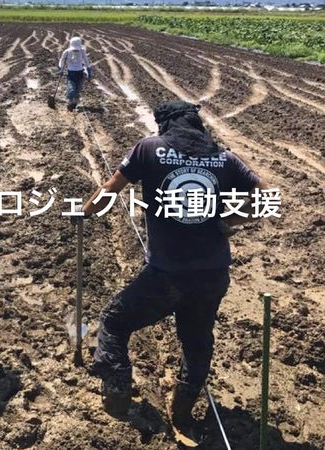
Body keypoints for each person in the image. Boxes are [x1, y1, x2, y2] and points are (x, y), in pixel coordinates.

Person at [79, 101, 267, 436]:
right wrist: (232, 220)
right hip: (213, 274)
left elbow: (110, 190)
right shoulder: (224, 158)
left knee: (115, 321)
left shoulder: (149, 148)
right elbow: (264, 197)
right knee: (197, 341)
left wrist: (85, 211)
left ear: (164, 125)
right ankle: (181, 411)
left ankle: (117, 394)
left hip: (167, 275)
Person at [57, 36, 93, 112]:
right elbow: (61, 60)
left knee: (78, 89)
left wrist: (89, 70)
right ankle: (70, 103)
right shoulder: (67, 52)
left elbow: (86, 61)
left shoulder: (82, 51)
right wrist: (60, 68)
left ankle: (75, 103)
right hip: (71, 73)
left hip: (80, 73)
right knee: (71, 89)